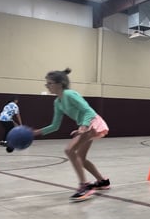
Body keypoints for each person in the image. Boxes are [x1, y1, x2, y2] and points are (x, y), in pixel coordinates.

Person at [33, 68, 110, 202]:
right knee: (81, 157)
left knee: (69, 150)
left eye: (49, 83)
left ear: (60, 84)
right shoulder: (58, 102)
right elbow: (55, 126)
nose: (47, 86)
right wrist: (36, 132)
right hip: (86, 125)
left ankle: (84, 186)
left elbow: (88, 111)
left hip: (92, 122)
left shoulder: (69, 94)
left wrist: (83, 126)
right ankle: (102, 181)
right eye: (46, 84)